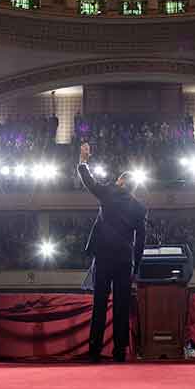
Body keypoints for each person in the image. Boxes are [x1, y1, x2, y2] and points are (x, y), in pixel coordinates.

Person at [77, 142, 146, 363]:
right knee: (121, 307)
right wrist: (136, 265)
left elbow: (88, 182)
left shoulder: (108, 193)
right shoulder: (139, 208)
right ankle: (119, 352)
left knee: (99, 304)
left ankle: (95, 351)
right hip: (125, 261)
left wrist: (83, 161)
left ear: (121, 181)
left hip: (104, 258)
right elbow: (141, 240)